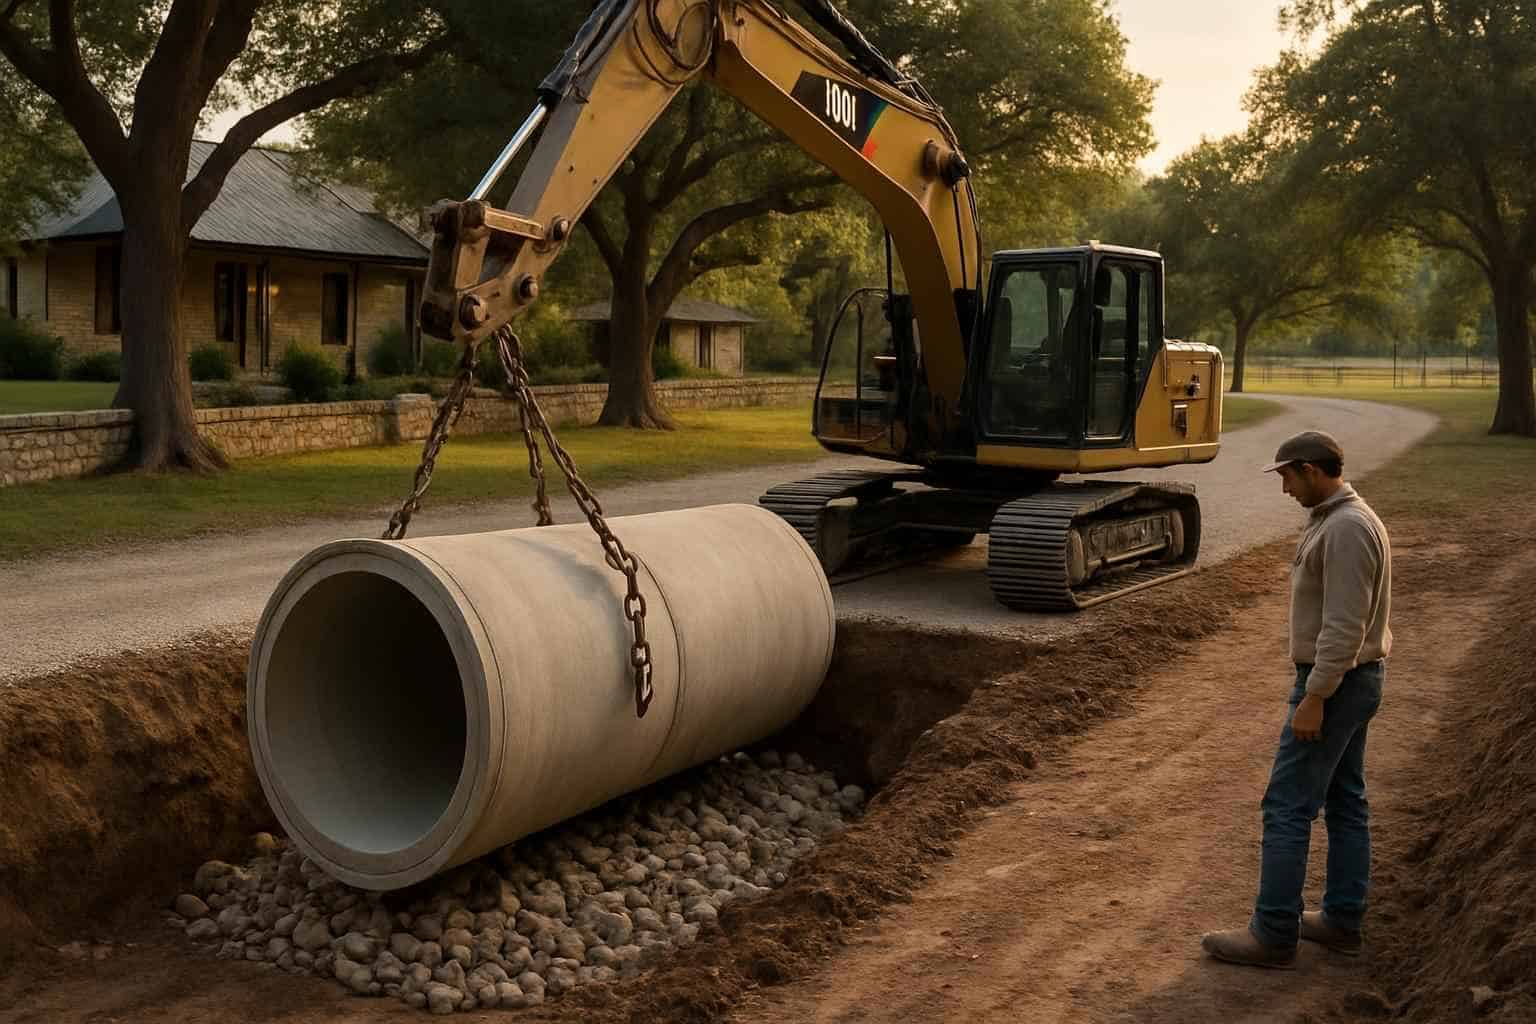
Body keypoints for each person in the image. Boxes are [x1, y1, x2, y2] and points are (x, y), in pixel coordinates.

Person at [1201, 430, 1393, 969]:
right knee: (1345, 799)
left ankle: (1273, 934)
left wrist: (1316, 696)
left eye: (1286, 476)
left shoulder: (1348, 527)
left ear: (1311, 470)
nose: (1284, 489)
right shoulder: (1338, 519)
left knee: (1286, 806)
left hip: (1336, 684)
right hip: (1351, 680)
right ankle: (1341, 920)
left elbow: (1345, 625)